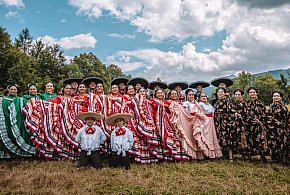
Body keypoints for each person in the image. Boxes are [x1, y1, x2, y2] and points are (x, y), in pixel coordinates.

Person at [244, 87, 268, 163]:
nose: (252, 93)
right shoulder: (246, 103)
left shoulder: (260, 103)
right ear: (248, 94)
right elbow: (244, 114)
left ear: (256, 93)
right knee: (249, 140)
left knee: (260, 141)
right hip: (249, 125)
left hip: (258, 125)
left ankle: (262, 157)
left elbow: (264, 115)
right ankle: (249, 157)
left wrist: (259, 120)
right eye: (251, 92)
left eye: (254, 92)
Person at [265, 91, 289, 163]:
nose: (276, 97)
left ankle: (284, 159)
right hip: (272, 129)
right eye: (274, 96)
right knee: (273, 144)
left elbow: (286, 119)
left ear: (280, 97)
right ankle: (275, 158)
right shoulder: (270, 107)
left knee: (282, 143)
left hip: (281, 129)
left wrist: (280, 125)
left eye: (277, 96)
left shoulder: (284, 108)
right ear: (272, 97)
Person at [214, 87, 236, 162]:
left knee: (228, 139)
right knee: (220, 138)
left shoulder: (227, 102)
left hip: (226, 123)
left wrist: (224, 117)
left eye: (221, 92)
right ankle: (222, 155)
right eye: (218, 92)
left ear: (224, 94)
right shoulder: (216, 103)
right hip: (218, 123)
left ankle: (231, 157)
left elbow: (233, 113)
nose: (220, 93)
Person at [198, 92, 223, 158]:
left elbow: (213, 112)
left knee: (211, 136)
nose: (204, 97)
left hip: (211, 121)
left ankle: (212, 153)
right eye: (202, 96)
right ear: (200, 98)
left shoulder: (208, 104)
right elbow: (200, 113)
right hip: (205, 121)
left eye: (205, 96)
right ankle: (206, 153)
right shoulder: (200, 104)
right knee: (206, 136)